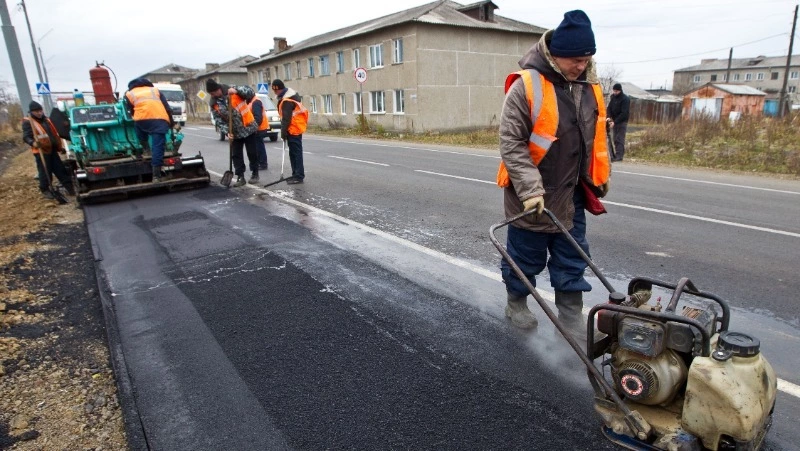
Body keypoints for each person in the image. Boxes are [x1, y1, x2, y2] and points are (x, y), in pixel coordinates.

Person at [496, 10, 611, 335]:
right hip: (530, 197)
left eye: (587, 58)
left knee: (573, 260)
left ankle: (571, 319)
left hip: (571, 196)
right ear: (555, 54)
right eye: (576, 59)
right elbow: (512, 143)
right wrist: (531, 190)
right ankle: (516, 304)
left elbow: (595, 139)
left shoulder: (589, 88)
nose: (582, 65)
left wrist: (599, 177)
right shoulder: (526, 87)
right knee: (524, 259)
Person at [207, 79, 260, 187]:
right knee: (236, 155)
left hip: (248, 127)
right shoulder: (214, 104)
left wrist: (237, 90)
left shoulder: (232, 90)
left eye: (213, 93)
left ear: (218, 89)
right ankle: (240, 176)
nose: (213, 95)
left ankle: (255, 173)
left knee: (252, 153)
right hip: (234, 132)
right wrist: (227, 132)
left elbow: (250, 92)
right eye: (210, 94)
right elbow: (219, 120)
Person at [22, 101, 76, 199]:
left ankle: (70, 188)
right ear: (31, 112)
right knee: (45, 171)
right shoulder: (28, 122)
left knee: (60, 169)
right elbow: (26, 137)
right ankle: (46, 189)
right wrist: (33, 143)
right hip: (41, 151)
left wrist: (59, 147)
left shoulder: (46, 120)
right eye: (36, 111)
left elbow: (53, 134)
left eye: (40, 110)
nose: (39, 113)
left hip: (52, 149)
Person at [124, 78, 174, 182]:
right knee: (158, 147)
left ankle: (146, 149)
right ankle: (156, 176)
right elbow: (167, 108)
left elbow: (131, 110)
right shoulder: (155, 90)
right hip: (159, 120)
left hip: (142, 119)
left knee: (138, 127)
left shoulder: (129, 94)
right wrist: (171, 122)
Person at [271, 79, 308, 184]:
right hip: (295, 128)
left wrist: (283, 133)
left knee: (296, 153)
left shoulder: (287, 101)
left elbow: (286, 119)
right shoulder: (290, 97)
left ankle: (298, 176)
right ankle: (295, 174)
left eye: (275, 90)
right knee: (294, 153)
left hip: (293, 129)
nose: (274, 93)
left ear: (278, 89)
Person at [607, 83, 630, 162]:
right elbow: (609, 108)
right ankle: (615, 155)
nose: (615, 92)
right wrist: (609, 117)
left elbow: (624, 113)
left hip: (621, 121)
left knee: (619, 139)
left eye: (616, 91)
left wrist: (615, 122)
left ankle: (619, 156)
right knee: (614, 138)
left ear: (620, 90)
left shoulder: (625, 99)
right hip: (614, 120)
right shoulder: (613, 97)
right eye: (614, 91)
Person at [249, 95, 269, 170]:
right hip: (258, 127)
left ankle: (262, 163)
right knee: (258, 146)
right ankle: (261, 162)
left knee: (259, 146)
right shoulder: (252, 101)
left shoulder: (256, 102)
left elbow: (258, 117)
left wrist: (254, 128)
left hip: (259, 128)